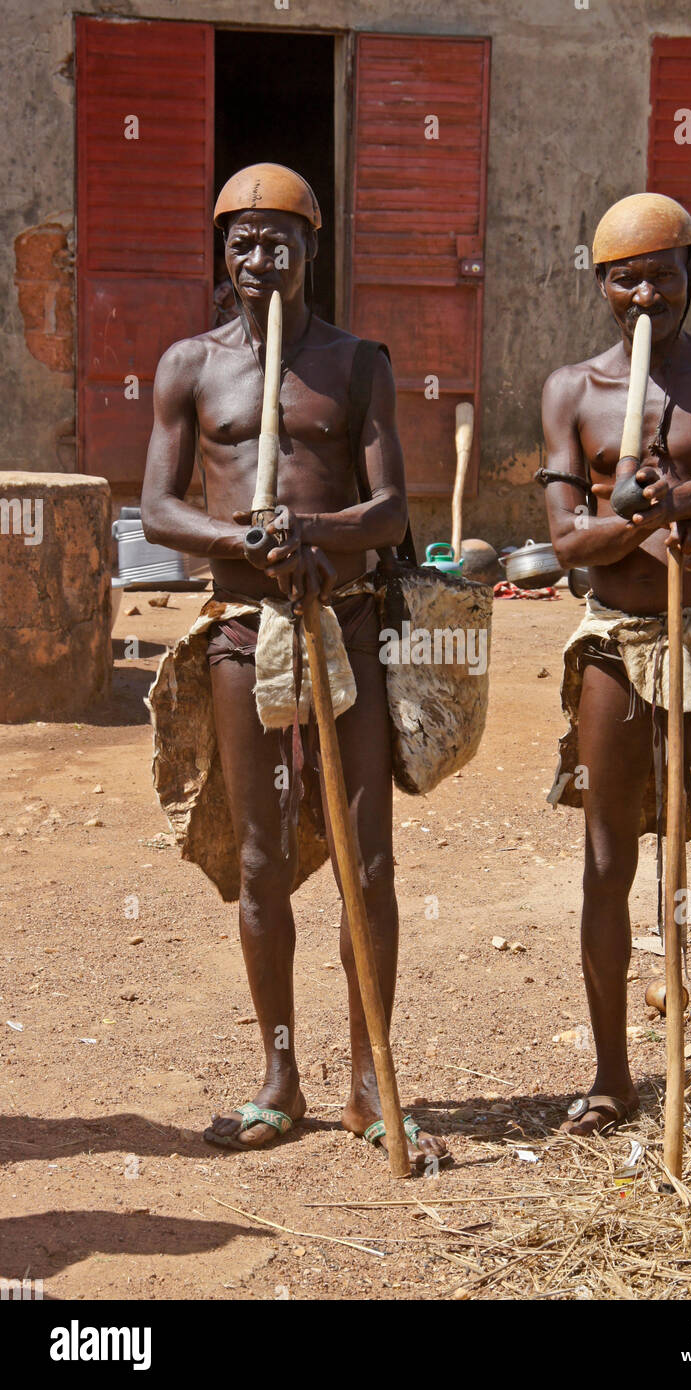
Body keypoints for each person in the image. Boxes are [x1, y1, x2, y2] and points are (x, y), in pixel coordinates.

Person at [142, 163, 447, 1168]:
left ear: (313, 250)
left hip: (344, 631)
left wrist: (309, 526)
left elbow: (393, 506)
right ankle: (279, 1074)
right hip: (242, 635)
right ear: (219, 253)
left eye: (280, 241)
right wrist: (243, 542)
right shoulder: (189, 364)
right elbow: (158, 510)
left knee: (367, 862)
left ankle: (371, 1082)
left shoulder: (356, 363)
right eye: (241, 241)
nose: (259, 258)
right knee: (262, 858)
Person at [542, 192, 691, 1144]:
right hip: (616, 641)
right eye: (625, 278)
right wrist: (633, 521)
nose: (646, 295)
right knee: (608, 856)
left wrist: (662, 497)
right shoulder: (573, 390)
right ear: (602, 286)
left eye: (663, 275)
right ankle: (611, 1077)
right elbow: (565, 542)